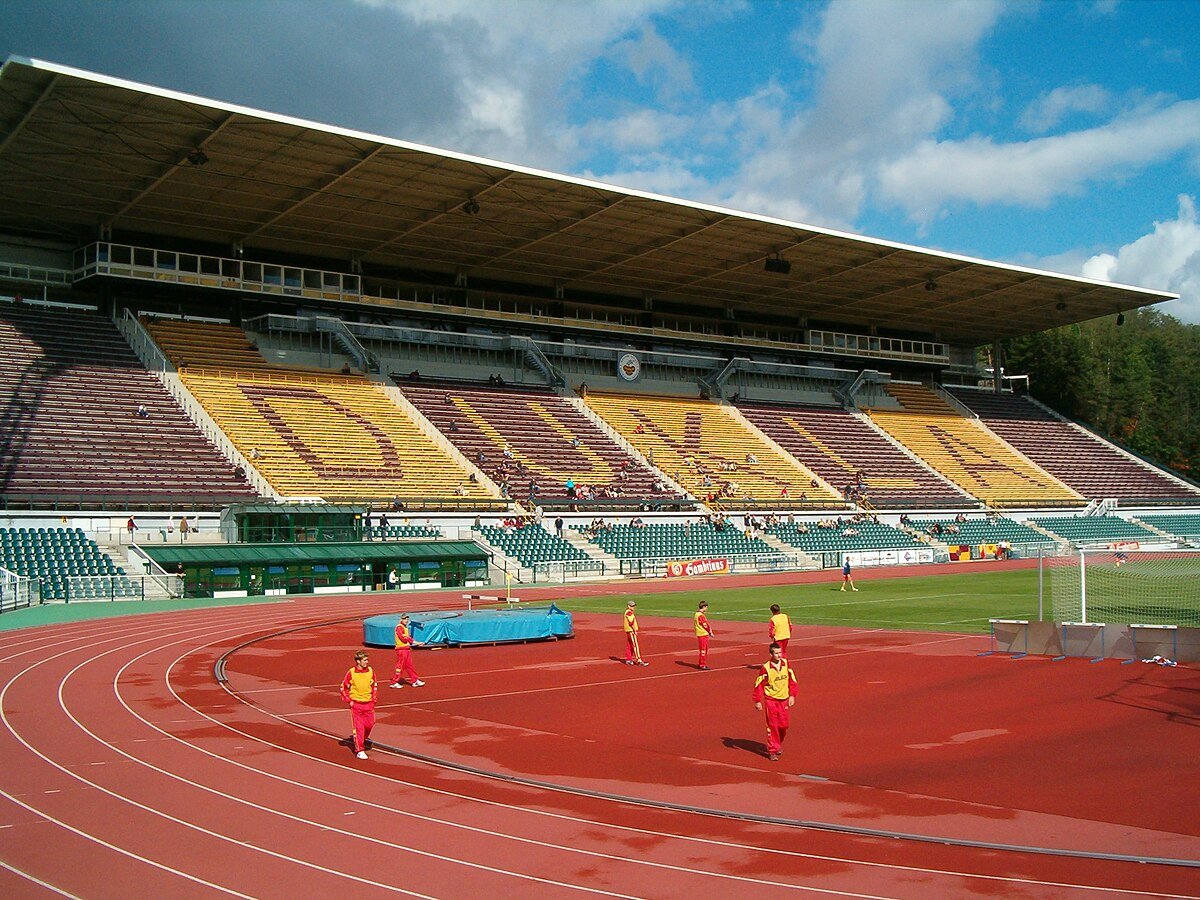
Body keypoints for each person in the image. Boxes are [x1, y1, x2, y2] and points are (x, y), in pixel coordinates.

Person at [753, 642, 798, 761]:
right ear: (771, 654)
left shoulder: (786, 664)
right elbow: (759, 685)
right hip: (771, 701)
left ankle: (777, 743)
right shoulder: (766, 668)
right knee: (772, 725)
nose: (779, 655)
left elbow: (792, 680)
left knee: (784, 725)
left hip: (784, 700)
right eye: (776, 653)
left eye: (780, 653)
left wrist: (792, 695)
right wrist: (757, 700)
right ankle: (773, 750)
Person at [339, 650, 377, 760]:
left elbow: (374, 685)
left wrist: (374, 698)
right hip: (356, 705)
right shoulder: (351, 672)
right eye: (365, 660)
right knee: (359, 728)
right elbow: (343, 687)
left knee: (370, 724)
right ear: (358, 661)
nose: (367, 662)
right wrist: (349, 700)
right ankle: (359, 750)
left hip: (369, 704)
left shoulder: (370, 671)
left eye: (367, 660)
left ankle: (362, 739)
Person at [389, 614, 425, 688]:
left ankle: (415, 680)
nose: (406, 620)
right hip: (401, 650)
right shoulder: (399, 627)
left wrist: (415, 642)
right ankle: (394, 682)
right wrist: (416, 642)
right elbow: (403, 638)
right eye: (404, 619)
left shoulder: (405, 628)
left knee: (409, 666)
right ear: (401, 619)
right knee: (400, 666)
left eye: (407, 619)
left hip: (406, 649)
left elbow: (407, 639)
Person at [623, 600, 649, 666]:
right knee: (635, 645)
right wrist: (634, 630)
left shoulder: (628, 612)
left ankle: (628, 659)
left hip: (628, 631)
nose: (633, 607)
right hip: (631, 631)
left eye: (634, 606)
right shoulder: (629, 613)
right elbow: (631, 622)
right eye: (632, 606)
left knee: (629, 645)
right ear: (628, 606)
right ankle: (639, 660)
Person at [694, 600, 714, 670]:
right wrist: (710, 632)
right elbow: (705, 625)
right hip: (702, 634)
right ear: (704, 607)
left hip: (701, 633)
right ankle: (702, 664)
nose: (707, 609)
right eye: (706, 607)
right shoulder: (701, 615)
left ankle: (701, 663)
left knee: (704, 649)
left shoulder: (697, 614)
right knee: (703, 650)